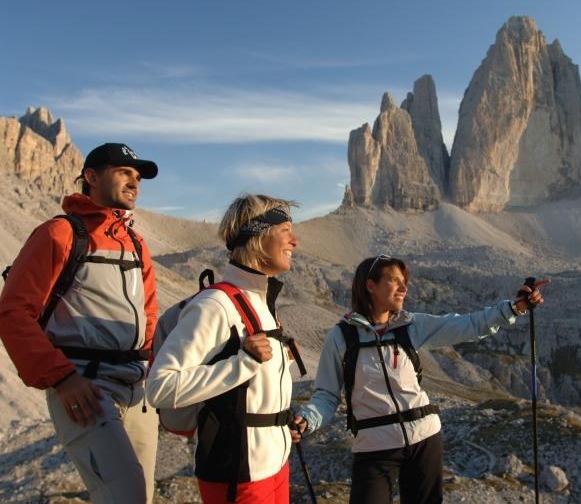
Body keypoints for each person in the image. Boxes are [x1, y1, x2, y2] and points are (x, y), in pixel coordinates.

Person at [292, 254, 549, 504]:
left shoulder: (411, 325)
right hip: (374, 448)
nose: (404, 287)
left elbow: (468, 325)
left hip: (425, 439)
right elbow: (326, 395)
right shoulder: (341, 337)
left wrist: (515, 308)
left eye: (404, 281)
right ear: (370, 286)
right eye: (394, 280)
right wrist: (308, 420)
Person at [0, 143, 160, 503]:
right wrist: (62, 378)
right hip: (84, 389)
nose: (135, 183)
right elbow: (12, 312)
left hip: (139, 391)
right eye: (124, 173)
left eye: (137, 177)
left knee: (142, 498)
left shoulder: (136, 242)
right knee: (126, 496)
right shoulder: (59, 234)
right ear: (91, 177)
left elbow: (148, 313)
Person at [146, 194, 300, 504]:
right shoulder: (214, 306)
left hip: (274, 466)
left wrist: (281, 423)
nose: (294, 242)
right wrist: (242, 363)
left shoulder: (261, 303)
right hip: (238, 474)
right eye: (285, 230)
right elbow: (160, 387)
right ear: (258, 235)